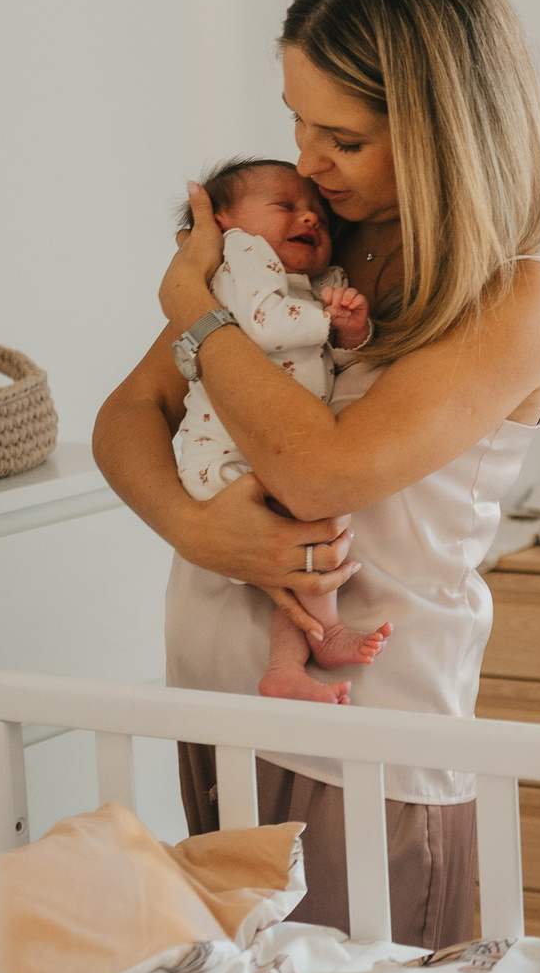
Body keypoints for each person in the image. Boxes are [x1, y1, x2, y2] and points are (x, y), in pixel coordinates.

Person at [95, 0, 540, 950]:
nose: (304, 162)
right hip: (218, 708)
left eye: (342, 139)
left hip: (369, 746)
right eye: (295, 122)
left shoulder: (515, 299)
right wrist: (197, 529)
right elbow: (124, 418)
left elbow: (319, 464)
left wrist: (199, 310)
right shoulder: (298, 243)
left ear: (446, 134)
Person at [166, 155, 388, 704]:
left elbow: (335, 356)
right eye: (286, 206)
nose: (310, 218)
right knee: (312, 531)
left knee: (304, 549)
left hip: (261, 455)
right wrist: (329, 320)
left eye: (315, 211)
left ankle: (290, 665)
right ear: (224, 223)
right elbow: (262, 327)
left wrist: (354, 329)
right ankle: (323, 636)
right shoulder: (242, 259)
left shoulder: (313, 280)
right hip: (224, 459)